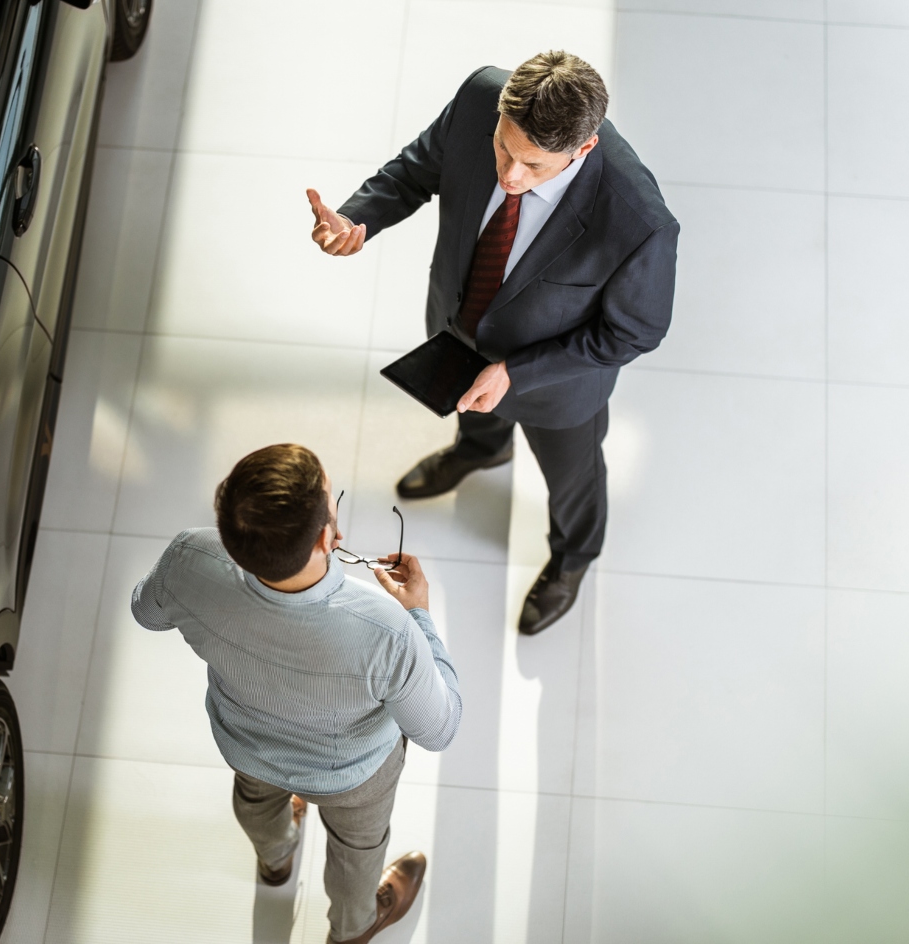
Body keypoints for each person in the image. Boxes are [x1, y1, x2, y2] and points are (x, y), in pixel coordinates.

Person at [307, 50, 678, 636]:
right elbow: (416, 171)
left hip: (556, 388)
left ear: (582, 150)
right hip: (460, 326)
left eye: (533, 166)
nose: (509, 175)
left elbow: (636, 330)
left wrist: (518, 371)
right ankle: (482, 449)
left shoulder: (638, 220)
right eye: (504, 148)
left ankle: (572, 560)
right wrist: (358, 220)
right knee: (470, 405)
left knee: (573, 481)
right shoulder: (482, 95)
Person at [131, 443, 462, 944]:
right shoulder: (387, 633)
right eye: (334, 509)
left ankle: (276, 860)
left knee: (257, 800)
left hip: (248, 745)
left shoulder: (189, 558)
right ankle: (353, 928)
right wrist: (419, 617)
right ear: (327, 539)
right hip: (353, 774)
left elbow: (146, 614)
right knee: (357, 849)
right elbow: (440, 729)